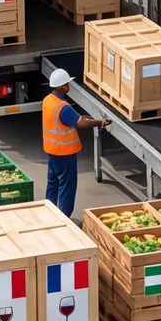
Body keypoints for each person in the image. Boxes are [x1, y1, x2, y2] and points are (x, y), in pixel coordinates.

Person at [41, 67, 108, 217]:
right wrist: (100, 122)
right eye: (67, 84)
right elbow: (81, 123)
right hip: (65, 153)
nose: (69, 86)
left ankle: (49, 215)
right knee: (67, 187)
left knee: (53, 183)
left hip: (52, 151)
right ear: (61, 87)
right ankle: (64, 218)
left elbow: (72, 119)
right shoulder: (63, 108)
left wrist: (85, 117)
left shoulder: (48, 101)